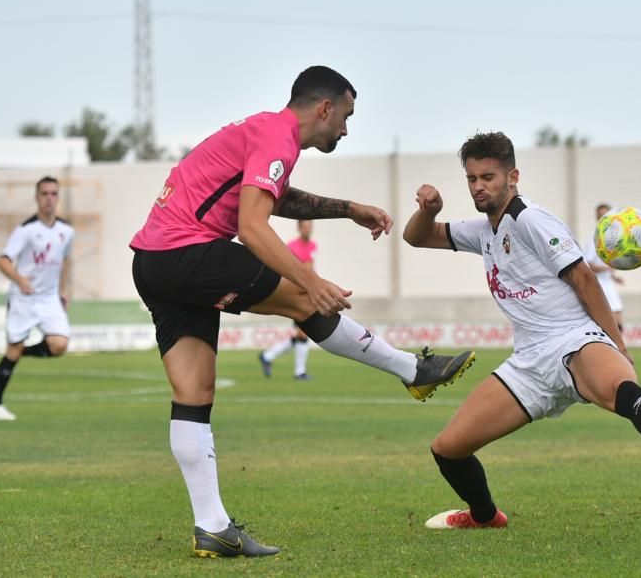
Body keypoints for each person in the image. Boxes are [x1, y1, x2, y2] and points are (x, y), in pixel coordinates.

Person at [129, 66, 476, 557]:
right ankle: (410, 369)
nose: (347, 130)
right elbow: (253, 225)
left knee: (194, 391)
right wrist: (310, 283)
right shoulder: (277, 135)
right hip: (189, 253)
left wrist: (348, 207)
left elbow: (275, 198)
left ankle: (211, 527)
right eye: (347, 117)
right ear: (324, 108)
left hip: (154, 263)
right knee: (302, 299)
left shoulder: (262, 133)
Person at [402, 131, 641, 530]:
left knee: (620, 390)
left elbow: (583, 278)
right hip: (528, 363)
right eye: (472, 179)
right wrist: (429, 209)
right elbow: (416, 236)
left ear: (513, 176)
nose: (479, 186)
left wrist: (617, 343)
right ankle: (485, 517)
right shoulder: (484, 231)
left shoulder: (528, 218)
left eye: (488, 177)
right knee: (448, 449)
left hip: (575, 339)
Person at [0, 176, 74, 422]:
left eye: (53, 193)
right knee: (13, 347)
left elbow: (65, 259)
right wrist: (20, 279)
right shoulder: (25, 230)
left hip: (48, 298)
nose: (49, 198)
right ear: (37, 197)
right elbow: (2, 260)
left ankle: (18, 351)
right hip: (23, 297)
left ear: (57, 197)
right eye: (44, 193)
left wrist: (63, 289)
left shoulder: (66, 231)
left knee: (59, 345)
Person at [259, 220, 317, 380]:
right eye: (305, 226)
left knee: (301, 333)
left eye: (310, 226)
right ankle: (299, 372)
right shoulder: (292, 247)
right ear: (299, 228)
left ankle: (268, 356)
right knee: (304, 333)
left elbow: (311, 269)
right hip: (296, 292)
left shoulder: (313, 246)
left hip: (308, 292)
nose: (308, 229)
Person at [582, 203, 625, 330]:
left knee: (617, 316)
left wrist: (613, 276)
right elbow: (587, 263)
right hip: (599, 283)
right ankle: (615, 347)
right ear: (597, 219)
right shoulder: (594, 241)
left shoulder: (611, 240)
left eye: (606, 215)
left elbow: (605, 263)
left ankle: (618, 347)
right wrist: (605, 269)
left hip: (607, 282)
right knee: (613, 318)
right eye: (600, 216)